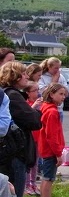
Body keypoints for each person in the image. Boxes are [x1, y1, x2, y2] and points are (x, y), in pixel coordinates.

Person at [0, 61, 42, 197]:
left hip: (10, 152)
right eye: (23, 74)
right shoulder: (13, 96)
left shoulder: (10, 94)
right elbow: (34, 121)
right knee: (14, 191)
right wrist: (36, 112)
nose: (26, 77)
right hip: (15, 153)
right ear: (15, 76)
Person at [38, 83, 66, 197]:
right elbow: (51, 136)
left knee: (46, 177)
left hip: (46, 149)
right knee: (48, 179)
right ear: (51, 94)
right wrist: (58, 154)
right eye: (60, 94)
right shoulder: (52, 112)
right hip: (50, 150)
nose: (63, 97)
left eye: (64, 94)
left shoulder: (46, 107)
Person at [23, 82, 42, 196]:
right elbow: (25, 115)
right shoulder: (25, 103)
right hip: (30, 137)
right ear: (27, 93)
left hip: (38, 136)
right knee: (28, 162)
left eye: (37, 90)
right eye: (34, 90)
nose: (37, 92)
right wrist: (34, 106)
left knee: (35, 162)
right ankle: (26, 185)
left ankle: (33, 183)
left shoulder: (40, 103)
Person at [37, 57, 68, 122]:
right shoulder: (42, 77)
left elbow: (66, 93)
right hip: (47, 109)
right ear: (49, 67)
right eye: (56, 68)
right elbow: (44, 93)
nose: (58, 70)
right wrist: (54, 81)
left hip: (59, 109)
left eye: (59, 68)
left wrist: (62, 90)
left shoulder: (61, 77)